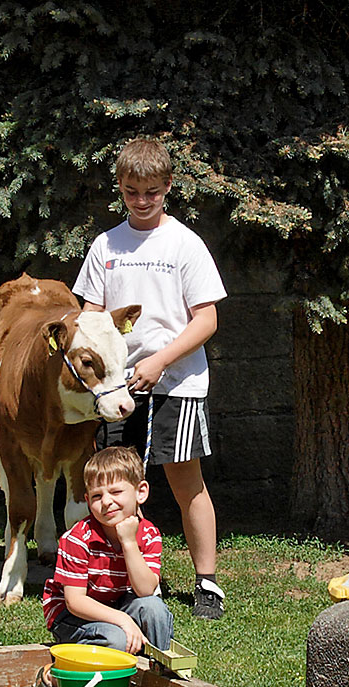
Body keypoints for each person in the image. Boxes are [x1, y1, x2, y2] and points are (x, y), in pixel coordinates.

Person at [74, 136, 230, 619]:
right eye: (131, 192)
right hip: (118, 390)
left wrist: (160, 360)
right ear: (119, 188)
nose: (141, 202)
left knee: (186, 484)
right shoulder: (106, 245)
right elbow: (91, 317)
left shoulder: (185, 244)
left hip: (175, 384)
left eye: (151, 192)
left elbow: (206, 320)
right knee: (114, 485)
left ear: (167, 188)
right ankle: (127, 578)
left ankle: (207, 583)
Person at [39, 447, 174, 654]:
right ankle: (61, 671)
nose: (106, 502)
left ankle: (158, 671)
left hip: (115, 604)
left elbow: (146, 591)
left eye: (116, 492)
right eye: (96, 496)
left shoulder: (148, 534)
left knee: (154, 609)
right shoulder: (77, 539)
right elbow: (75, 602)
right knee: (115, 639)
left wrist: (129, 542)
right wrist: (123, 620)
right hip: (71, 616)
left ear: (141, 492)